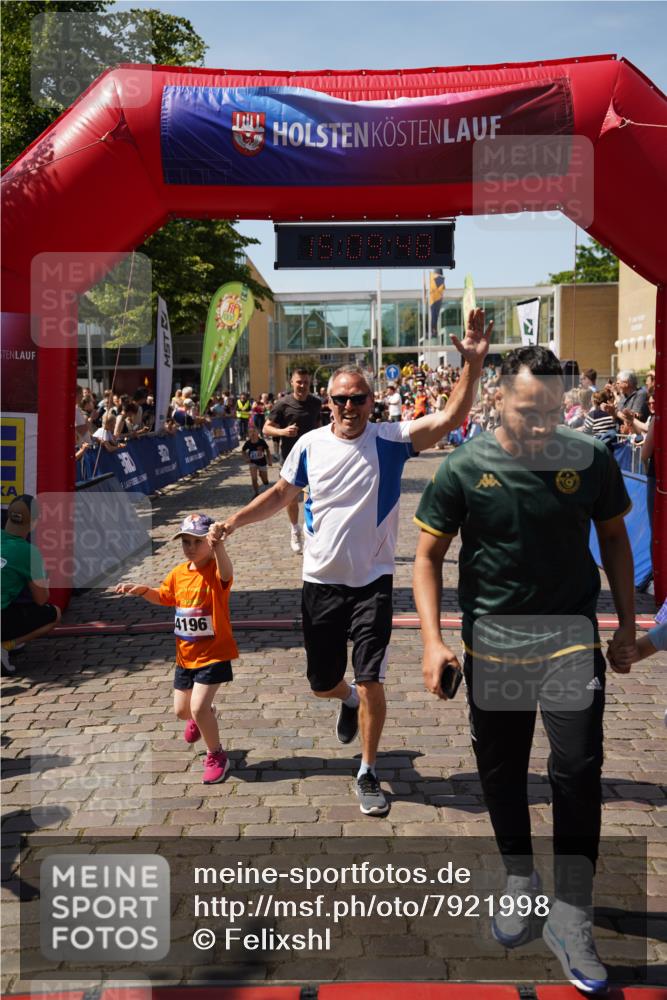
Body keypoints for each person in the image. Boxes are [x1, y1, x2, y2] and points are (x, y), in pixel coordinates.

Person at [412, 345, 635, 994]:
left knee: (574, 770)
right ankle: (519, 877)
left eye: (549, 408)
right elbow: (426, 556)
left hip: (568, 639)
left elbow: (616, 539)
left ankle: (572, 913)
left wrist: (623, 624)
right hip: (494, 646)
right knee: (503, 772)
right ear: (497, 400)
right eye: (525, 408)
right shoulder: (466, 464)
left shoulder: (588, 458)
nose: (540, 421)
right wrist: (431, 641)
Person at [212, 309, 492, 816]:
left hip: (372, 584)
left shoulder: (390, 440)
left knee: (372, 680)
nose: (348, 407)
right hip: (320, 581)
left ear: (370, 402)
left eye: (357, 398)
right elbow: (280, 495)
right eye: (339, 399)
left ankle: (367, 770)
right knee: (322, 682)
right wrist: (234, 522)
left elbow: (450, 420)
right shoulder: (308, 445)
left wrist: (470, 366)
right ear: (328, 403)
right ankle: (343, 701)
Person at [115, 513, 237, 784]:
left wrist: (219, 546)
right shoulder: (179, 573)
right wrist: (144, 590)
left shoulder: (216, 569)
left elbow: (227, 574)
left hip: (213, 653)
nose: (190, 547)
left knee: (198, 708)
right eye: (185, 542)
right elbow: (165, 597)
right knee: (182, 712)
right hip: (185, 656)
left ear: (209, 541)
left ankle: (216, 754)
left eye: (196, 541)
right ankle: (203, 714)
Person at [1, 495, 62, 675]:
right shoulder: (30, 552)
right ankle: (5, 646)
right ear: (34, 523)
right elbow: (41, 599)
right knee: (53, 614)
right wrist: (46, 581)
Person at [263, 369, 322, 554]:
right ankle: (295, 529)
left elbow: (319, 426)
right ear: (292, 382)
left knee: (311, 494)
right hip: (289, 458)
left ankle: (310, 531)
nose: (302, 385)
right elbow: (266, 428)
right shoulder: (282, 404)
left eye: (305, 382)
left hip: (313, 456)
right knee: (290, 497)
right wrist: (283, 432)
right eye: (299, 382)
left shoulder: (315, 403)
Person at [242, 425, 273, 497]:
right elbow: (243, 451)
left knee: (264, 479)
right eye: (250, 432)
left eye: (254, 431)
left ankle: (266, 486)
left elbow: (267, 450)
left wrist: (269, 460)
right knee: (254, 478)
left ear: (258, 432)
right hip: (252, 462)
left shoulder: (262, 442)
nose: (252, 433)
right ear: (248, 434)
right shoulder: (248, 443)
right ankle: (256, 493)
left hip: (262, 462)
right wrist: (246, 458)